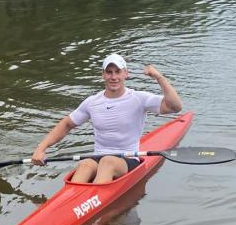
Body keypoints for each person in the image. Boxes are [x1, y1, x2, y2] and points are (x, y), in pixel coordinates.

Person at [32, 53, 182, 183]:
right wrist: (41, 148)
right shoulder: (92, 102)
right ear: (103, 75)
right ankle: (67, 205)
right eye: (109, 72)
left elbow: (175, 107)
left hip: (128, 158)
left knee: (107, 162)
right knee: (85, 164)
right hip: (99, 157)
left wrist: (159, 77)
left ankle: (91, 202)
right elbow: (66, 124)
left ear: (126, 74)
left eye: (118, 72)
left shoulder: (138, 98)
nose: (114, 77)